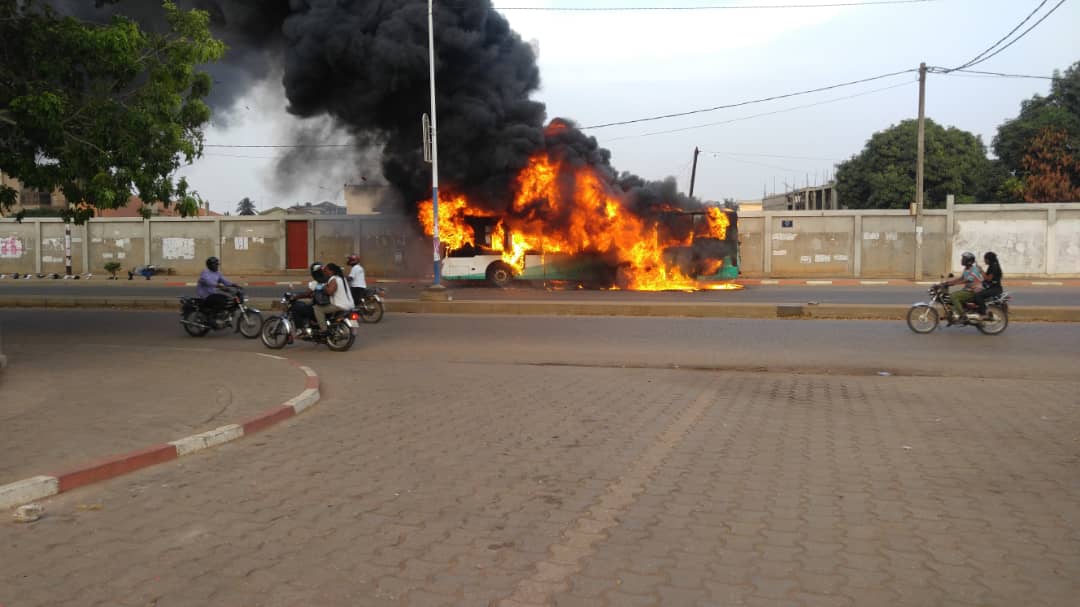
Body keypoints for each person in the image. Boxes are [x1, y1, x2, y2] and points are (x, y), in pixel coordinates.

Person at [312, 262, 353, 334]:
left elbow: (330, 292)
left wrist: (324, 286)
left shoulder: (333, 279)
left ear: (331, 271)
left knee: (317, 308)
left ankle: (323, 329)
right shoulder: (342, 278)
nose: (324, 271)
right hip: (350, 304)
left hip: (340, 305)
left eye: (326, 270)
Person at [942, 251, 983, 320]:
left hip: (974, 291)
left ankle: (963, 315)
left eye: (964, 259)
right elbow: (961, 278)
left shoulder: (974, 270)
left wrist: (953, 284)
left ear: (969, 261)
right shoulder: (966, 269)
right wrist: (947, 282)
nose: (962, 260)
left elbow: (968, 280)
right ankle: (956, 312)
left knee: (954, 296)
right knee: (950, 298)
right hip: (968, 290)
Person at [974, 251, 1003, 317]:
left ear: (988, 259)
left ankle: (983, 312)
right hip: (992, 287)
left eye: (985, 259)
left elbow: (988, 278)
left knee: (978, 295)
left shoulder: (994, 267)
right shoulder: (992, 266)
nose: (984, 260)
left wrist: (981, 271)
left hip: (995, 289)